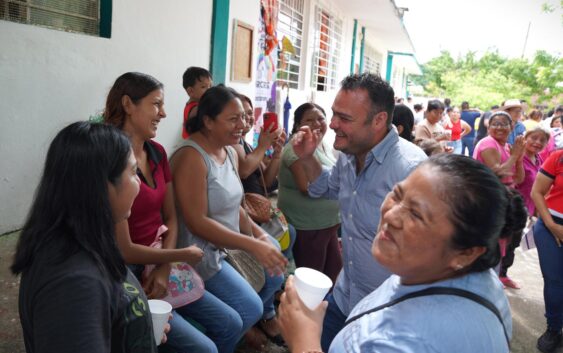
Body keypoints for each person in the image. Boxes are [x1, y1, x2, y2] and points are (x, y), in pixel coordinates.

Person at [278, 154, 513, 353]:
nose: (390, 215)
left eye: (417, 215)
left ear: (466, 253)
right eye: (397, 195)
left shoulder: (415, 341)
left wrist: (304, 342)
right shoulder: (432, 269)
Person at [103, 72, 241, 353]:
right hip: (126, 272)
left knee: (231, 323)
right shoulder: (108, 157)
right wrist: (179, 255)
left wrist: (165, 267)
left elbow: (171, 217)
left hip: (162, 263)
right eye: (156, 105)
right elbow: (125, 250)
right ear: (128, 104)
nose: (164, 113)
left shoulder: (156, 153)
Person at [290, 73, 427, 351]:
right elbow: (324, 189)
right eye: (334, 114)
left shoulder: (412, 171)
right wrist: (307, 158)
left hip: (384, 313)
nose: (332, 124)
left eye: (344, 118)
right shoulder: (349, 154)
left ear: (378, 121)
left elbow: (425, 257)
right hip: (344, 297)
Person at [11, 122, 161, 353]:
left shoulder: (87, 238)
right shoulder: (74, 285)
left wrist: (136, 326)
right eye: (132, 172)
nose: (139, 182)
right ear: (102, 186)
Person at [170, 85, 287, 350]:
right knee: (249, 308)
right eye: (233, 119)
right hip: (197, 254)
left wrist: (259, 236)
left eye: (244, 118)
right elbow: (196, 221)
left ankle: (242, 331)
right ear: (208, 121)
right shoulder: (191, 157)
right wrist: (252, 244)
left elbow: (235, 205)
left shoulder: (229, 151)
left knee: (275, 274)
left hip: (225, 248)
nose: (242, 125)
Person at [278, 102, 342, 284]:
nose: (316, 123)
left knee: (333, 272)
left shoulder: (322, 145)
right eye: (309, 120)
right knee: (312, 280)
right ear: (298, 125)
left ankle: (322, 311)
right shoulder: (295, 149)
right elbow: (307, 187)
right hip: (308, 226)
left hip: (327, 225)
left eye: (320, 118)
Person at [473, 111, 526, 289]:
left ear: (512, 127)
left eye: (504, 124)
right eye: (495, 123)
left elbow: (518, 179)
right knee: (489, 245)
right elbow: (497, 172)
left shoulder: (505, 146)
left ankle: (491, 283)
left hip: (504, 202)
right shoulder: (488, 143)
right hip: (489, 202)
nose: (499, 127)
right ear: (488, 126)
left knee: (499, 245)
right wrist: (514, 156)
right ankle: (484, 286)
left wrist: (518, 158)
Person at [531, 149, 563, 353]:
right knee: (555, 282)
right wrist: (552, 226)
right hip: (551, 228)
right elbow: (537, 192)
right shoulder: (559, 157)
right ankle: (553, 328)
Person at [515, 126, 550, 216]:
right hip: (517, 207)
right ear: (525, 138)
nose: (538, 142)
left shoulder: (539, 158)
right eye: (534, 138)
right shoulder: (517, 156)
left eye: (542, 140)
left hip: (532, 208)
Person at [181, 67, 213, 139]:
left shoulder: (195, 105)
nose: (209, 90)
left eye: (210, 86)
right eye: (203, 87)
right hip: (193, 145)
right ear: (191, 91)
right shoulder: (195, 108)